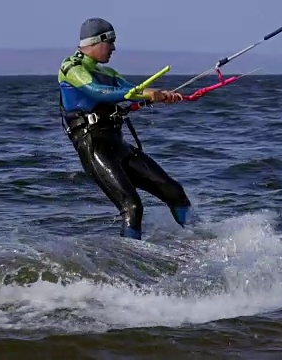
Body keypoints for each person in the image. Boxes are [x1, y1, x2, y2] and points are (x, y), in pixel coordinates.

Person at [57, 17, 192, 240]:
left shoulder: (109, 73)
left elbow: (132, 90)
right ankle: (132, 261)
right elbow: (96, 91)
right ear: (97, 41)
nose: (113, 48)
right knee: (132, 206)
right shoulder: (71, 67)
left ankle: (199, 240)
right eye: (110, 43)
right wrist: (145, 93)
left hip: (119, 145)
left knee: (174, 191)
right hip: (94, 146)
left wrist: (161, 95)